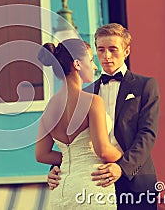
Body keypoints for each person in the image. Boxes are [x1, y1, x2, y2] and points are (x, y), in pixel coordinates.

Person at [47, 23, 160, 209]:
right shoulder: (85, 93)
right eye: (101, 50)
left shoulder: (146, 85)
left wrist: (121, 167)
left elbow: (147, 135)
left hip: (135, 182)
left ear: (126, 51)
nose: (106, 56)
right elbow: (72, 139)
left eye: (113, 49)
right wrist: (56, 168)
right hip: (94, 184)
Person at [36, 38, 123, 209]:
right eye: (91, 60)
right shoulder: (92, 101)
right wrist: (122, 155)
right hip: (91, 188)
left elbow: (41, 154)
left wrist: (72, 159)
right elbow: (103, 151)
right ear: (77, 64)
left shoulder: (49, 107)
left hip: (61, 191)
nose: (95, 66)